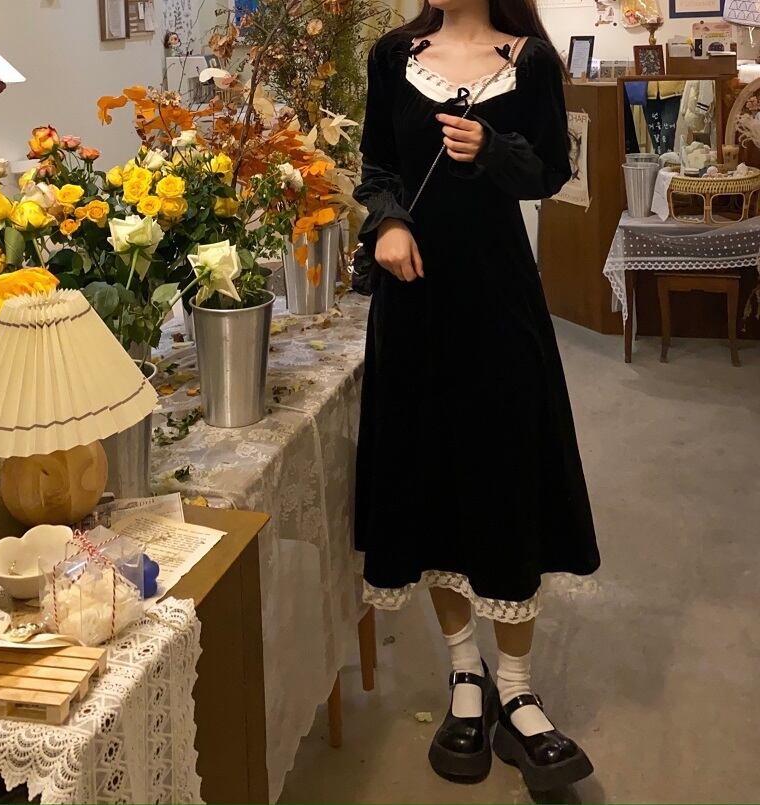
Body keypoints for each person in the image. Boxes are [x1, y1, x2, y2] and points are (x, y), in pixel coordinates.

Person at [353, 0, 601, 791]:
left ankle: (518, 690)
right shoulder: (394, 55)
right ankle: (467, 673)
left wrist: (494, 149)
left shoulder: (530, 61)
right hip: (414, 306)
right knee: (431, 478)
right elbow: (376, 167)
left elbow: (551, 171)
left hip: (499, 302)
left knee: (507, 478)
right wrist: (389, 224)